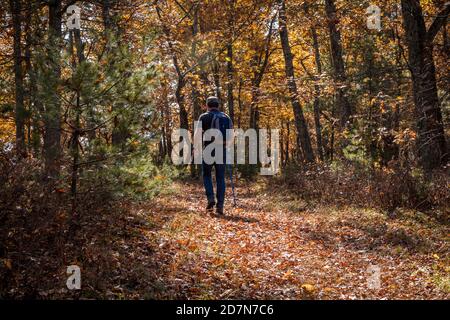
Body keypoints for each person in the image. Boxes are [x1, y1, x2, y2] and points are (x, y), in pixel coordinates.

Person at [196, 96, 233, 215]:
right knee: (220, 177)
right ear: (218, 105)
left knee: (206, 175)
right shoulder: (226, 117)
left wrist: (195, 148)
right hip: (221, 150)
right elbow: (231, 137)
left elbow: (197, 134)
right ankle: (220, 206)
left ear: (207, 105)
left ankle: (211, 198)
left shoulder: (203, 116)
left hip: (208, 149)